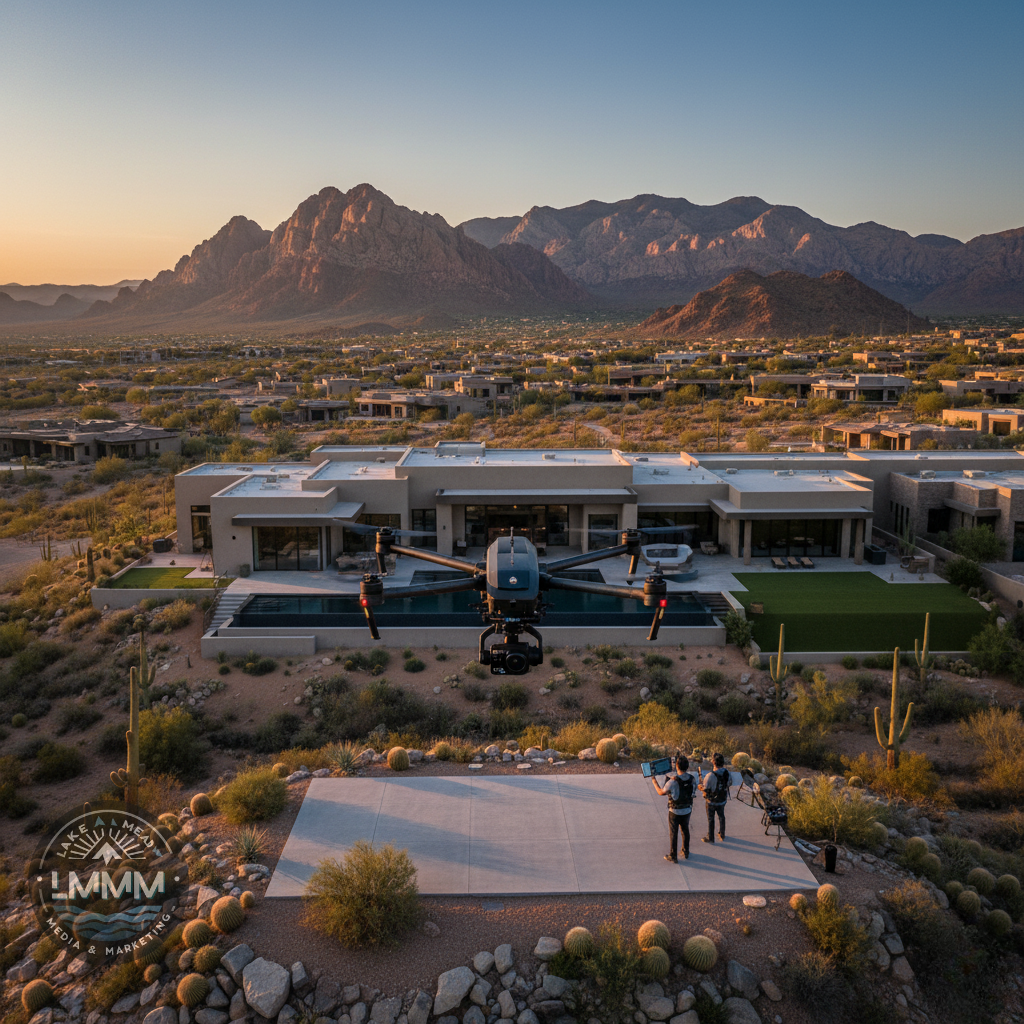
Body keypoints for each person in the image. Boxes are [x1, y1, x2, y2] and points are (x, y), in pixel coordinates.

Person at [651, 754, 694, 861]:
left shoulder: (672, 782)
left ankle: (673, 855)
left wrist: (654, 782)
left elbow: (661, 792)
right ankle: (686, 851)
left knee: (673, 833)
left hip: (674, 811)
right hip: (687, 810)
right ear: (687, 766)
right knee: (685, 830)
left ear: (677, 766)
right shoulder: (692, 779)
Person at [699, 752, 730, 843]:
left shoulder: (710, 776)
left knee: (711, 819)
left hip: (711, 801)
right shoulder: (727, 773)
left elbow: (705, 788)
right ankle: (722, 833)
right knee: (721, 816)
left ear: (713, 762)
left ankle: (711, 837)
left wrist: (700, 787)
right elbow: (729, 783)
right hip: (722, 799)